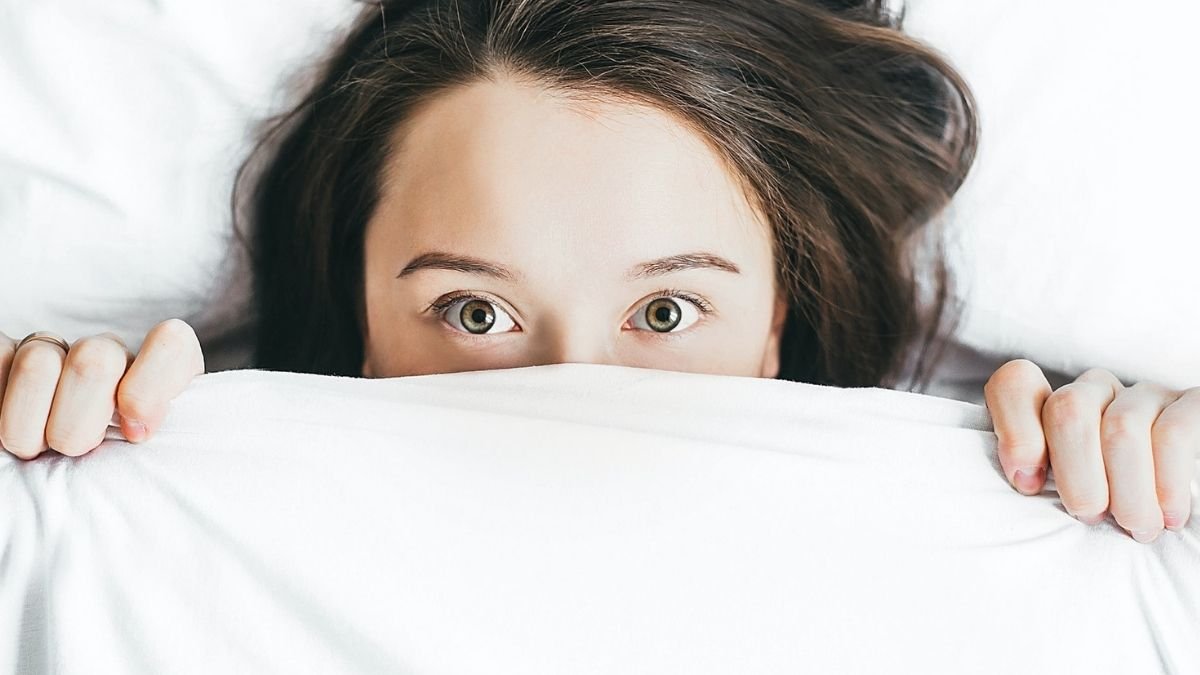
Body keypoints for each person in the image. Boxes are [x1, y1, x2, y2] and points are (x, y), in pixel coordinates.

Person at [0, 0, 1195, 544]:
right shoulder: (170, 521)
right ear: (359, 320)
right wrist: (55, 452)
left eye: (665, 310)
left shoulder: (999, 514)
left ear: (777, 321)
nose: (573, 392)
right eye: (475, 311)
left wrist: (1151, 477)